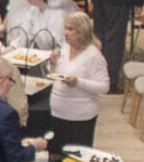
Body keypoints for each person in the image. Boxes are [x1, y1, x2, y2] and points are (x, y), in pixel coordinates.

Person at [47, 14, 110, 151]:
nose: (66, 33)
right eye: (65, 28)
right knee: (56, 159)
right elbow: (55, 72)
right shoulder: (65, 48)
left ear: (81, 32)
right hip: (57, 113)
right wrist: (52, 63)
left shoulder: (93, 56)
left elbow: (104, 87)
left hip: (80, 118)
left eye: (70, 29)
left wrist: (78, 82)